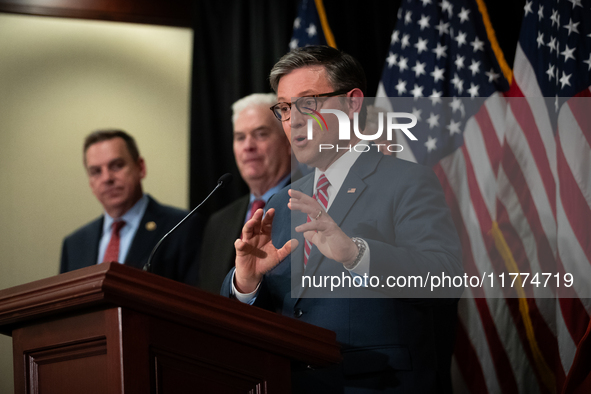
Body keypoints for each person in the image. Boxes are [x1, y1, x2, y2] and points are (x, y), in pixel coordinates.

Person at [221, 46, 463, 393]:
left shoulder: (406, 181)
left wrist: (356, 254)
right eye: (286, 108)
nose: (294, 120)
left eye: (308, 102)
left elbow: (445, 278)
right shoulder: (281, 201)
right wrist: (245, 284)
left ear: (352, 103)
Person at [60, 129, 202, 285]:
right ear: (90, 182)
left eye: (117, 166)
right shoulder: (74, 244)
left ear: (140, 167)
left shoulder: (182, 226)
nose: (107, 178)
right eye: (96, 171)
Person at [198, 93, 294, 293]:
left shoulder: (306, 203)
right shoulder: (218, 222)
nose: (248, 146)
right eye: (240, 137)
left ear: (287, 143)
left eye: (260, 134)